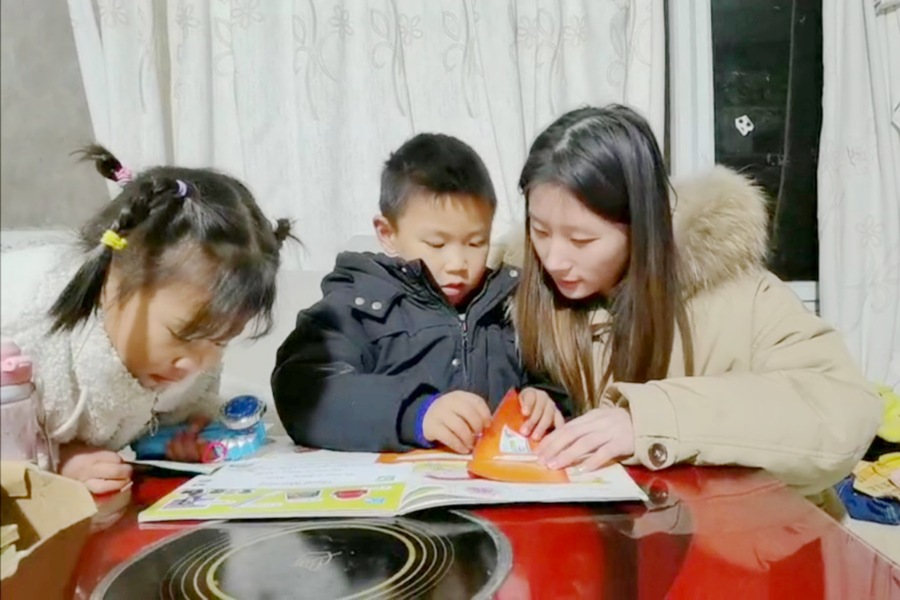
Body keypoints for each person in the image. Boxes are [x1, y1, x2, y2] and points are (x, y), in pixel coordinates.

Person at [505, 105, 881, 497]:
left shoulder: (736, 293)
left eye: (581, 240)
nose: (553, 259)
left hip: (747, 530)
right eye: (540, 231)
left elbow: (843, 412)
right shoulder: (512, 293)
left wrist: (652, 421)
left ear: (642, 226)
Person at [1, 145, 293, 494]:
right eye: (183, 335)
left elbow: (166, 413)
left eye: (219, 340)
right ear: (113, 282)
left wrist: (177, 436)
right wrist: (57, 463)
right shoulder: (30, 332)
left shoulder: (185, 353)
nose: (197, 363)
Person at [273, 133, 562, 454]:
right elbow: (302, 391)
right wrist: (416, 414)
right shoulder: (358, 303)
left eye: (476, 242)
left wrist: (543, 400)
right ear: (388, 233)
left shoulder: (511, 303)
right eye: (437, 244)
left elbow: (562, 384)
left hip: (495, 480)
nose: (457, 264)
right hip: (392, 483)